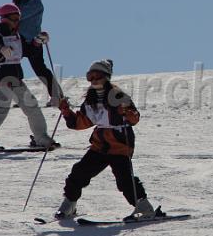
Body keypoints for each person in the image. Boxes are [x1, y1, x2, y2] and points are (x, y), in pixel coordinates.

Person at [55, 59, 158, 221]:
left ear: (106, 77)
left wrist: (126, 112)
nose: (94, 80)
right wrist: (67, 112)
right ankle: (70, 204)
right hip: (100, 146)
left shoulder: (118, 95)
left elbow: (134, 119)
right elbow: (81, 122)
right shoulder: (91, 99)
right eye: (90, 76)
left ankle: (144, 207)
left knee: (124, 179)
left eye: (97, 76)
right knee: (79, 172)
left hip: (120, 145)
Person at [0, 3, 56, 150]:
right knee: (2, 109)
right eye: (14, 18)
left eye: (18, 19)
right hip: (1, 77)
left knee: (31, 107)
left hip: (15, 78)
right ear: (4, 19)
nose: (17, 22)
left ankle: (41, 137)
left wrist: (37, 42)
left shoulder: (17, 36)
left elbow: (28, 51)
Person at [9, 0, 62, 105]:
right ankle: (21, 97)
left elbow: (19, 16)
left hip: (32, 41)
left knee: (40, 69)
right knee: (13, 67)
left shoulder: (34, 2)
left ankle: (57, 96)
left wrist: (9, 18)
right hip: (20, 39)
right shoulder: (18, 1)